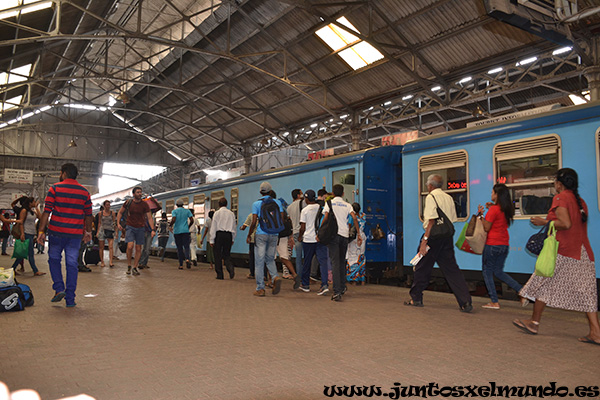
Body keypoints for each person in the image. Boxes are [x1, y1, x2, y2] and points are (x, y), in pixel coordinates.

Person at [513, 168, 600, 345]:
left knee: (543, 281)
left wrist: (543, 222)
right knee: (587, 292)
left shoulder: (560, 198)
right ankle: (596, 332)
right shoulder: (580, 201)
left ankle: (534, 322)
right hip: (583, 252)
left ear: (559, 183)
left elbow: (565, 223)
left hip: (564, 250)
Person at [404, 174, 473, 312]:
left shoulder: (431, 197)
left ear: (430, 185)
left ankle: (416, 298)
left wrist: (424, 242)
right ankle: (465, 302)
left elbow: (431, 220)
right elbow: (452, 219)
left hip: (433, 237)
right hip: (446, 237)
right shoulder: (448, 198)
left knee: (422, 266)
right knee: (452, 269)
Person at [37, 163, 93, 307]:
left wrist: (41, 231)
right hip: (74, 235)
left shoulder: (55, 188)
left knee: (54, 260)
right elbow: (88, 215)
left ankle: (59, 288)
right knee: (72, 264)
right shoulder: (84, 192)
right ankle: (70, 299)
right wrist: (88, 232)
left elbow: (46, 212)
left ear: (63, 173)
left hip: (56, 233)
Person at [477, 184, 523, 309]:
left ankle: (494, 301)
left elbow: (487, 227)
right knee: (498, 271)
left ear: (497, 195)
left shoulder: (493, 210)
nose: (491, 194)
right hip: (504, 245)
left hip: (492, 244)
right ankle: (522, 291)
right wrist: (491, 207)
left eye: (492, 192)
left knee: (487, 271)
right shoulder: (506, 209)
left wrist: (481, 216)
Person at [322, 184, 361, 302]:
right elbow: (354, 218)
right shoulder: (347, 205)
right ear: (343, 194)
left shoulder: (329, 203)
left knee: (335, 263)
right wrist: (358, 233)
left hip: (333, 236)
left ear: (332, 194)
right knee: (341, 262)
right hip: (344, 236)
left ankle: (336, 291)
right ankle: (342, 287)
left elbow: (326, 218)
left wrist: (321, 231)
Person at [247, 181, 283, 297]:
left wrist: (249, 234)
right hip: (274, 234)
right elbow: (282, 218)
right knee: (270, 259)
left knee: (259, 262)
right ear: (270, 190)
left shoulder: (256, 204)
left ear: (260, 191)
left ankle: (260, 288)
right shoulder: (277, 202)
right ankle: (275, 276)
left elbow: (253, 221)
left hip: (261, 234)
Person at [117, 187, 155, 276]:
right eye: (138, 192)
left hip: (141, 228)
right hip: (130, 227)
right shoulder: (128, 203)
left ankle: (135, 267)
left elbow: (149, 217)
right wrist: (118, 223)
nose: (140, 194)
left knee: (138, 248)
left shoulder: (144, 205)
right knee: (130, 246)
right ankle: (129, 265)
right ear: (133, 194)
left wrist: (152, 229)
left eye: (140, 192)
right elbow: (120, 212)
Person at [298, 190, 330, 295]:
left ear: (306, 199)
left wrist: (299, 236)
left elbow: (302, 227)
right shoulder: (320, 208)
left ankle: (305, 285)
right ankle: (324, 285)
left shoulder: (305, 210)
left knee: (307, 262)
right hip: (320, 239)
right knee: (323, 262)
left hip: (308, 239)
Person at [272, 191, 301, 288]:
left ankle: (272, 280)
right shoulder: (282, 206)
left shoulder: (269, 206)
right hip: (283, 235)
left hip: (273, 235)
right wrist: (290, 236)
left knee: (270, 258)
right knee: (284, 257)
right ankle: (294, 274)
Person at [11, 197, 45, 276]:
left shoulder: (32, 211)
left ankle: (12, 269)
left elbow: (40, 218)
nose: (34, 203)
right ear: (29, 203)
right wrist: (22, 233)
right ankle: (35, 270)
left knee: (23, 254)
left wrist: (36, 208)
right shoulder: (24, 211)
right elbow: (21, 223)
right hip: (26, 233)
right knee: (30, 253)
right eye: (33, 202)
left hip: (32, 233)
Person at [209, 198, 237, 279]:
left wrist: (211, 239)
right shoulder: (231, 214)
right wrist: (232, 238)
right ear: (226, 204)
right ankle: (230, 267)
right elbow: (233, 227)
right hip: (228, 235)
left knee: (217, 255)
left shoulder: (216, 213)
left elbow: (213, 227)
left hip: (219, 235)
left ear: (219, 204)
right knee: (226, 254)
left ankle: (220, 274)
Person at [346, 202, 366, 285]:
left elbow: (349, 226)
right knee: (361, 257)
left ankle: (353, 279)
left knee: (352, 258)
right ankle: (362, 279)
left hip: (354, 238)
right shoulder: (363, 215)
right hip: (362, 237)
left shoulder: (351, 216)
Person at [169, 198, 193, 270]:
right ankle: (188, 259)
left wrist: (170, 225)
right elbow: (192, 220)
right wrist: (188, 226)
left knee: (179, 248)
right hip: (185, 231)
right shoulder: (187, 211)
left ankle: (181, 265)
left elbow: (173, 219)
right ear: (183, 204)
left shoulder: (174, 211)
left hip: (177, 231)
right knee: (186, 247)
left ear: (176, 205)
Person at [287, 188, 304, 278]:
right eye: (301, 193)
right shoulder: (303, 203)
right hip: (303, 231)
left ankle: (299, 276)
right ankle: (306, 276)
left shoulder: (289, 207)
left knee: (298, 256)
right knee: (307, 255)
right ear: (298, 195)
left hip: (295, 232)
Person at [96, 200, 116, 268]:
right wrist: (98, 231)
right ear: (104, 206)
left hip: (110, 230)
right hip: (102, 230)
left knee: (110, 247)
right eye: (107, 205)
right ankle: (102, 261)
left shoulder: (112, 213)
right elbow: (99, 222)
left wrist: (115, 231)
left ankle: (110, 262)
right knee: (101, 247)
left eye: (109, 205)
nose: (108, 206)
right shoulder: (100, 213)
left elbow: (114, 222)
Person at [240, 212, 256, 278]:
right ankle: (264, 275)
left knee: (252, 256)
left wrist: (241, 228)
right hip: (263, 238)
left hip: (253, 239)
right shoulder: (265, 214)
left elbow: (244, 226)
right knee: (262, 257)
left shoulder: (251, 215)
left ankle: (252, 274)